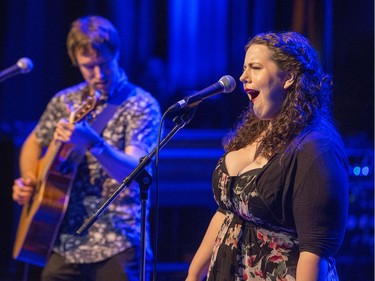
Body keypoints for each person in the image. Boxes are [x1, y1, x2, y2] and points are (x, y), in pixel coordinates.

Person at [186, 31, 348, 281]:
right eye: (244, 68)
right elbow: (226, 211)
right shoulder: (256, 129)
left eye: (256, 67)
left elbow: (314, 251)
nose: (243, 76)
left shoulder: (316, 147)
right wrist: (194, 274)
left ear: (289, 77)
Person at [12, 15, 161, 281]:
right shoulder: (65, 100)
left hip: (118, 242)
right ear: (76, 62)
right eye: (88, 66)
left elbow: (134, 172)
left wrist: (93, 143)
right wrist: (30, 179)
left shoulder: (141, 105)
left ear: (116, 53)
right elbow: (34, 142)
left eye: (103, 63)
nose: (98, 74)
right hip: (64, 240)